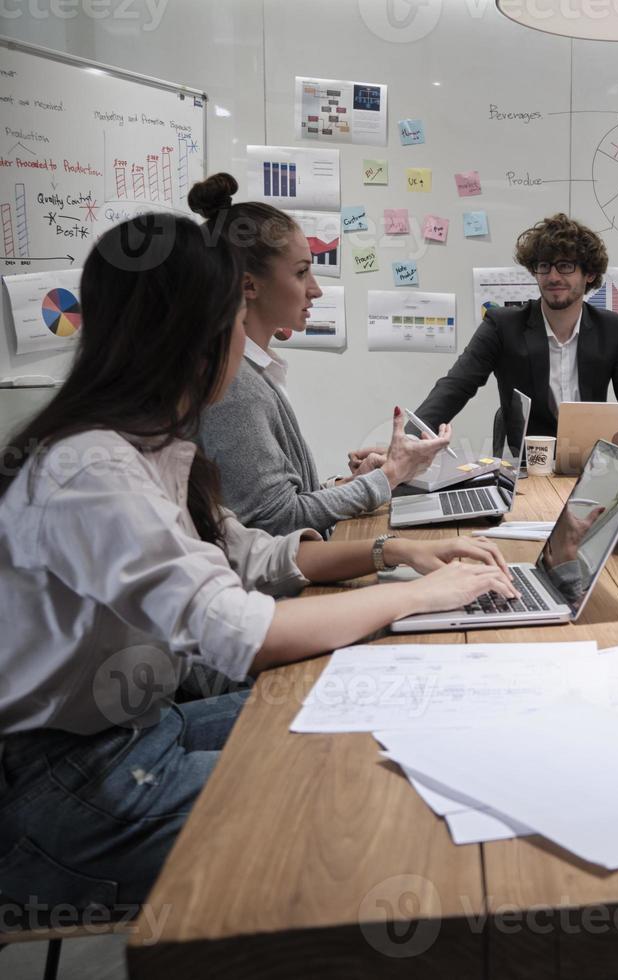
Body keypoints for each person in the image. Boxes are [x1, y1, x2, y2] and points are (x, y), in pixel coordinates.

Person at [0, 214, 518, 918]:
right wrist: (415, 595)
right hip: (74, 783)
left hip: (141, 731)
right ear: (197, 335)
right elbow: (241, 629)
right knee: (370, 804)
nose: (241, 345)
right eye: (231, 325)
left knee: (381, 707)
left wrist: (391, 554)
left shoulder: (145, 445)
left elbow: (251, 552)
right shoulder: (91, 469)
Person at [191, 174, 445, 538]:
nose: (316, 289)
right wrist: (390, 476)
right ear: (249, 285)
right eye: (301, 273)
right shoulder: (234, 388)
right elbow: (276, 521)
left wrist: (355, 482)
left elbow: (287, 502)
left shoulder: (254, 372)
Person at [350, 214, 618, 473]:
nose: (553, 276)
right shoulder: (503, 325)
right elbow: (455, 387)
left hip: (589, 467)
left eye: (566, 266)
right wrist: (403, 447)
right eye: (544, 266)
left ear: (590, 274)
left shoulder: (613, 329)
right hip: (526, 469)